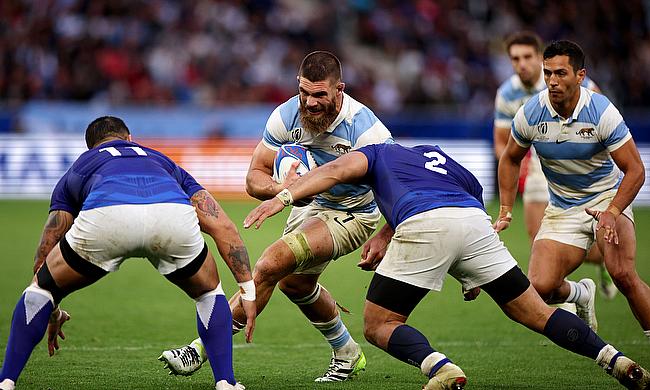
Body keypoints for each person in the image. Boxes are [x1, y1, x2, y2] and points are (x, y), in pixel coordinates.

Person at [243, 142, 650, 390]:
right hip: (474, 223)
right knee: (538, 313)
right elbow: (470, 195)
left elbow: (334, 171)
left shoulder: (374, 153)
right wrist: (469, 270)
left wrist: (282, 198)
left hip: (426, 222)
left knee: (379, 324)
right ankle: (615, 359)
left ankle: (441, 367)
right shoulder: (436, 155)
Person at [158, 51, 393, 381]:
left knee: (269, 265)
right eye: (304, 92)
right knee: (295, 283)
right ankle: (347, 352)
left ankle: (200, 348)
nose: (309, 103)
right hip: (308, 204)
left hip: (353, 213)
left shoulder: (366, 130)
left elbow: (398, 188)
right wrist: (280, 188)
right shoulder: (285, 116)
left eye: (319, 95)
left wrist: (385, 234)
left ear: (339, 89)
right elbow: (254, 176)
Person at [0, 116, 256, 390]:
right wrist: (248, 292)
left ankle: (6, 380)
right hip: (170, 215)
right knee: (208, 293)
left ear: (92, 147)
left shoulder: (83, 164)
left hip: (108, 216)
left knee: (40, 290)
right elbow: (223, 226)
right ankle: (225, 383)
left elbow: (48, 244)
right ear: (130, 138)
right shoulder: (161, 160)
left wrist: (51, 305)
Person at [495, 40, 650, 339]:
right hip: (563, 206)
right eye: (548, 73)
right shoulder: (531, 112)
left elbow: (635, 170)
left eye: (561, 73)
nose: (552, 81)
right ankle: (581, 293)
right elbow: (510, 157)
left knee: (623, 275)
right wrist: (504, 209)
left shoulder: (601, 111)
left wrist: (613, 211)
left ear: (580, 76)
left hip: (606, 198)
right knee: (537, 290)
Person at [493, 31, 616, 301]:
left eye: (527, 57)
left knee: (591, 246)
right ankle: (571, 298)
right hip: (540, 163)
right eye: (515, 58)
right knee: (538, 238)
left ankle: (602, 262)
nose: (521, 64)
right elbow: (502, 144)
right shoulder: (507, 93)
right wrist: (518, 161)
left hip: (580, 164)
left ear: (539, 58)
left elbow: (602, 114)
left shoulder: (563, 77)